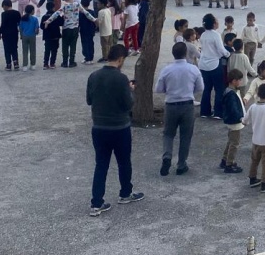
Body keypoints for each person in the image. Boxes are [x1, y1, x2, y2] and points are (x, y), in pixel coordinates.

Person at [85, 44, 144, 216]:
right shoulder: (121, 79)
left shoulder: (93, 76)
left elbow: (89, 100)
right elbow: (128, 104)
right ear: (120, 59)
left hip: (99, 127)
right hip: (119, 127)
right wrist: (131, 90)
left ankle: (96, 203)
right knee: (124, 162)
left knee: (101, 164)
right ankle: (125, 193)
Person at [156, 42, 205, 177]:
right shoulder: (193, 69)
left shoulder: (166, 69)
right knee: (185, 135)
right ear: (185, 53)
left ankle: (167, 156)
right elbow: (200, 88)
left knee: (168, 134)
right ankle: (181, 164)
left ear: (173, 54)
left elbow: (159, 89)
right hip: (187, 104)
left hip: (171, 104)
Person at [220, 69, 246, 174]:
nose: (240, 82)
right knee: (235, 143)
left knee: (230, 141)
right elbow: (234, 109)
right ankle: (229, 164)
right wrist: (240, 118)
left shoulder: (229, 91)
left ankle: (225, 159)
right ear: (234, 81)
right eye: (239, 80)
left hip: (231, 120)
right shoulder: (231, 94)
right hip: (235, 121)